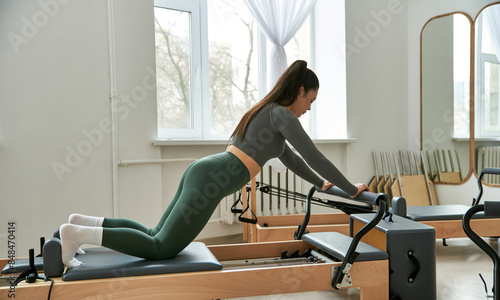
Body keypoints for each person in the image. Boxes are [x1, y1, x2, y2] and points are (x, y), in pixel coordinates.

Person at [60, 60, 369, 268]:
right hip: (213, 180)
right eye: (309, 101)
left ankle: (84, 222)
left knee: (155, 232)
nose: (308, 109)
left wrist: (322, 184)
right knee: (161, 248)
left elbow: (294, 160)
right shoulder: (282, 115)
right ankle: (77, 234)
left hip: (205, 171)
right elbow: (314, 155)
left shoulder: (270, 113)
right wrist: (351, 188)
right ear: (299, 92)